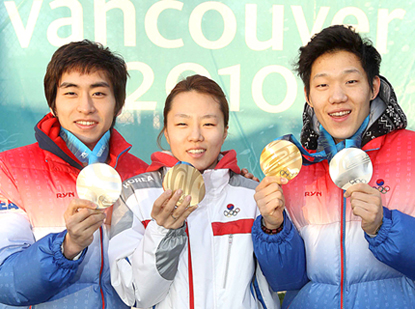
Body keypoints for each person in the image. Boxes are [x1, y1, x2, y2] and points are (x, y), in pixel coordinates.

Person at [252, 25, 415, 308]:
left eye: (350, 82)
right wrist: (273, 228)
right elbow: (285, 282)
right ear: (308, 95)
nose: (337, 97)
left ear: (373, 87)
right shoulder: (294, 165)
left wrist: (383, 226)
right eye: (323, 85)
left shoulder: (410, 153)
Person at [108, 74, 279, 309]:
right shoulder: (136, 195)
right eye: (182, 124)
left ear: (225, 130)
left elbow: (283, 279)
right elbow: (137, 294)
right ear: (166, 131)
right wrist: (162, 231)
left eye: (208, 124)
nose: (196, 136)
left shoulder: (253, 195)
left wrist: (277, 227)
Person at [0, 40, 148, 308]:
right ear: (53, 103)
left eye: (99, 93)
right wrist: (67, 248)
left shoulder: (142, 175)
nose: (86, 107)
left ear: (119, 104)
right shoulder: (11, 169)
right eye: (71, 93)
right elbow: (6, 282)